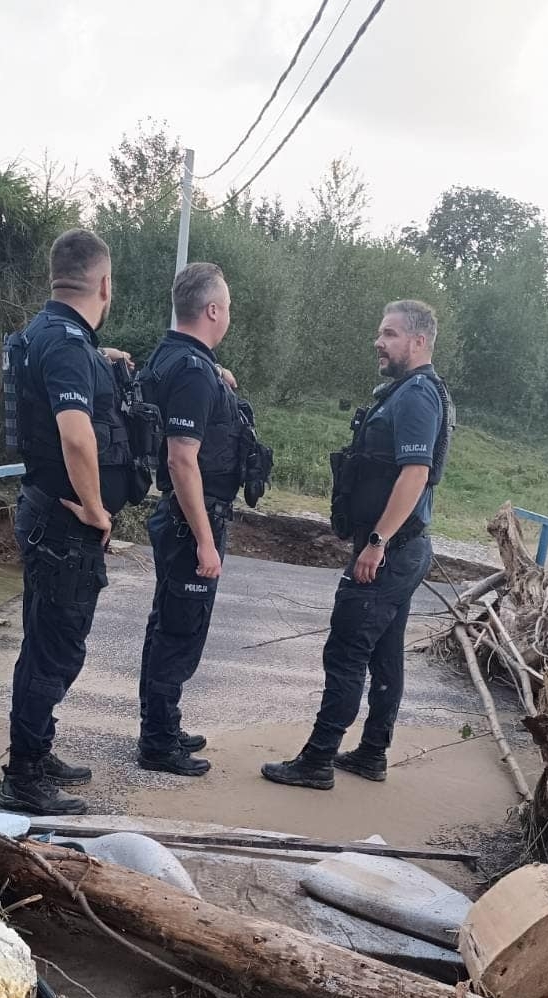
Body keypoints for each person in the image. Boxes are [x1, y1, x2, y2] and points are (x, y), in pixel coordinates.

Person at [261, 299, 454, 790]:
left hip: (390, 549)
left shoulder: (415, 396)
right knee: (385, 652)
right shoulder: (411, 392)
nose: (379, 341)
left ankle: (317, 761)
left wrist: (376, 541)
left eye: (389, 334)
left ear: (418, 341)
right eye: (380, 333)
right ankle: (372, 754)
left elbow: (416, 473)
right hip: (403, 548)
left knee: (346, 652)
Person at [1, 227, 141, 815]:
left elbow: (58, 372)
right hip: (64, 524)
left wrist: (98, 357)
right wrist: (95, 508)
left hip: (40, 511)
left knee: (43, 642)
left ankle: (36, 748)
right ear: (105, 283)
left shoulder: (48, 334)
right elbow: (75, 435)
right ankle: (26, 776)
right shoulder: (65, 344)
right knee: (57, 649)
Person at [137, 262, 249, 776]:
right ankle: (159, 743)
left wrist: (216, 377)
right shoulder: (192, 371)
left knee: (168, 625)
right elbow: (183, 458)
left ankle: (163, 724)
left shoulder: (173, 358)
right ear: (212, 310)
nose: (228, 315)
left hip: (179, 519)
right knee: (180, 631)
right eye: (226, 307)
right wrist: (206, 540)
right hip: (190, 523)